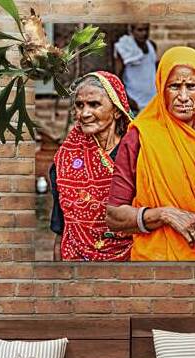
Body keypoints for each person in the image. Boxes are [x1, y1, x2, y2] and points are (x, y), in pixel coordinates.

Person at [106, 46, 195, 262]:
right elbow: (114, 215)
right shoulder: (141, 136)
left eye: (192, 86)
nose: (183, 96)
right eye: (174, 86)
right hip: (157, 263)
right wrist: (165, 214)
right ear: (161, 88)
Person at [52, 71, 134, 261]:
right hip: (77, 260)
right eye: (80, 105)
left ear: (116, 110)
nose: (85, 113)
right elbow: (61, 228)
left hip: (131, 259)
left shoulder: (137, 152)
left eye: (94, 104)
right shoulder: (65, 158)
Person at [114, 23, 158, 113]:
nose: (144, 33)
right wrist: (127, 99)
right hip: (134, 102)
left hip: (152, 101)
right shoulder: (124, 48)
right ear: (132, 31)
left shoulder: (152, 46)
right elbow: (117, 77)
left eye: (146, 30)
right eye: (140, 30)